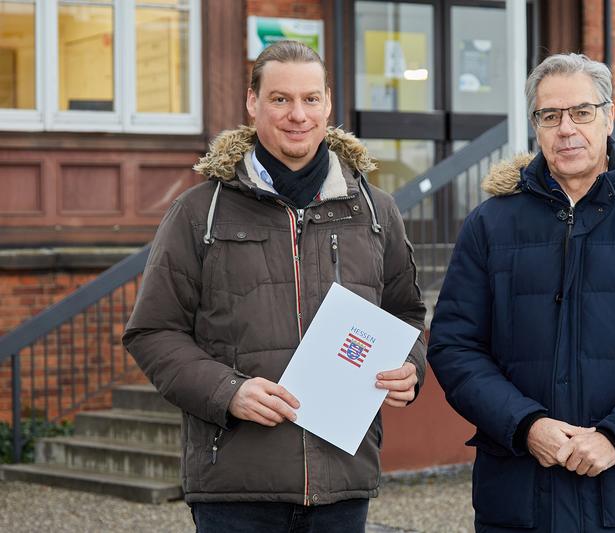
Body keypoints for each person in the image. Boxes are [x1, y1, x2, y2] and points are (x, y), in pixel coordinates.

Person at [122, 40, 426, 533]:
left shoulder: (374, 211)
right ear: (252, 103)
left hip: (341, 482)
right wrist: (228, 392)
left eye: (310, 99)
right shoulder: (201, 212)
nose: (297, 115)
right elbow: (153, 332)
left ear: (328, 103)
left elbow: (407, 316)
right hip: (236, 487)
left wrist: (409, 368)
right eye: (280, 99)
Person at [427, 52, 615, 532]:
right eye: (550, 116)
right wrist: (526, 426)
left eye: (581, 112)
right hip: (519, 502)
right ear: (536, 127)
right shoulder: (490, 224)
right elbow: (454, 346)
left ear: (608, 117)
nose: (566, 128)